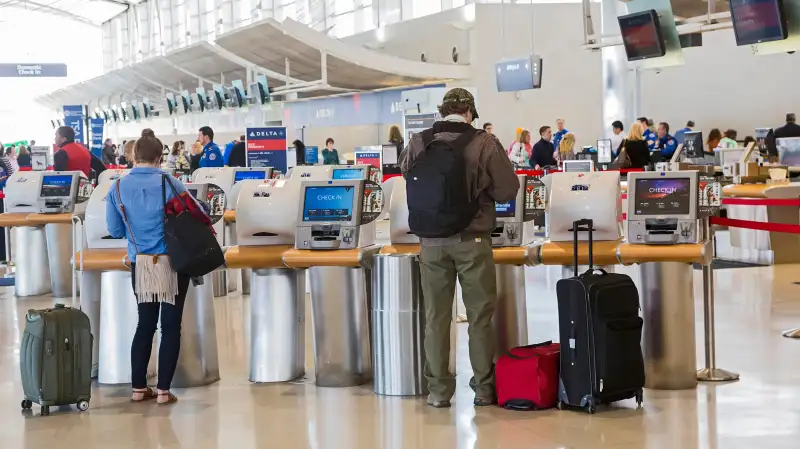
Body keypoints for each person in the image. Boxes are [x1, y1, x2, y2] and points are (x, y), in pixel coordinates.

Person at [400, 87, 519, 408]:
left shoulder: (417, 141)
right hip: (472, 240)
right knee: (479, 317)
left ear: (442, 111)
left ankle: (438, 392)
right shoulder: (484, 142)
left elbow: (407, 177)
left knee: (436, 317)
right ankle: (483, 389)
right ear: (470, 112)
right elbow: (508, 189)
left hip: (430, 243)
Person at [106, 129, 206, 406]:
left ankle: (139, 388)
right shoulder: (172, 183)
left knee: (145, 324)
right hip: (173, 262)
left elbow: (115, 230)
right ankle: (163, 391)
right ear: (160, 157)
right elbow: (198, 215)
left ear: (134, 156)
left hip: (141, 263)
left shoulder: (116, 187)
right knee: (171, 327)